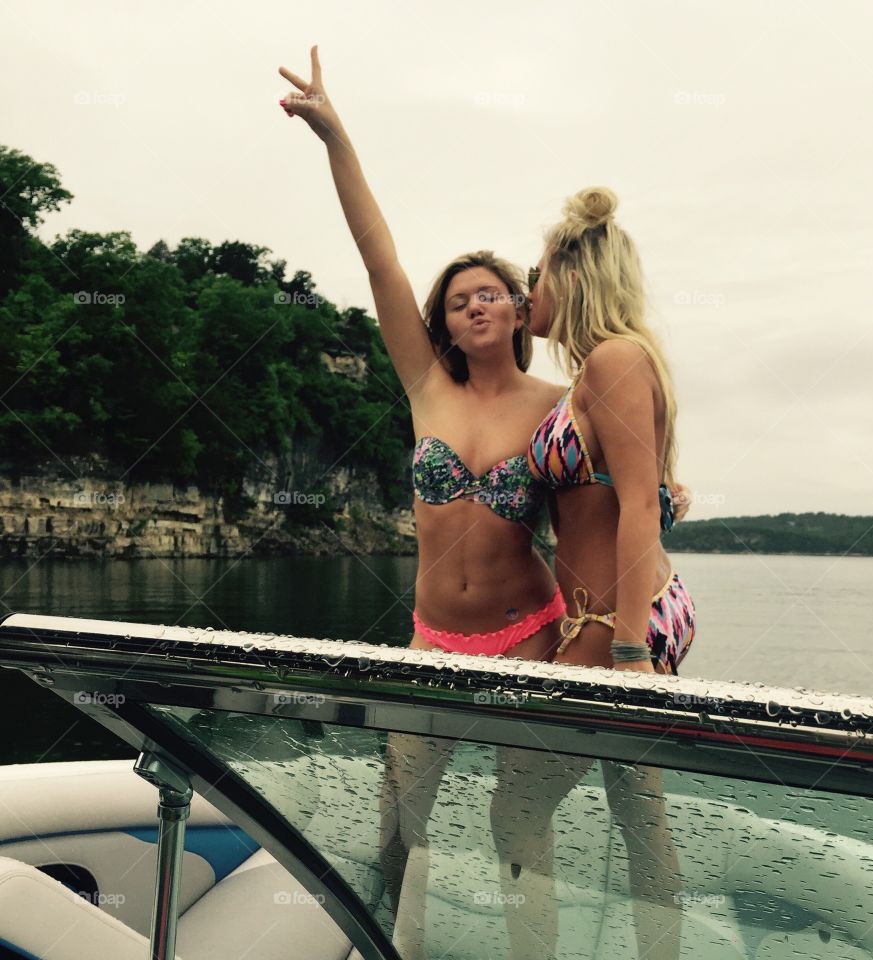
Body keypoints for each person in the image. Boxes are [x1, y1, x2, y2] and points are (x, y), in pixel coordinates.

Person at [278, 46, 569, 960]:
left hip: (533, 636)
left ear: (521, 311)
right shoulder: (425, 392)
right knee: (400, 821)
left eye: (490, 295)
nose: (471, 308)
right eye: (456, 302)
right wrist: (335, 135)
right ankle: (385, 951)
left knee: (518, 833)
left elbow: (627, 479)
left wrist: (670, 485)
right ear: (443, 323)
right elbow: (378, 260)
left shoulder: (562, 406)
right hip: (434, 639)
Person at [490, 187, 695, 960]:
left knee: (515, 809)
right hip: (612, 616)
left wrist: (629, 655)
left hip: (617, 624)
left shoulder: (614, 359)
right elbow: (634, 492)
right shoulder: (603, 368)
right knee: (639, 816)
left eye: (536, 278)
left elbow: (637, 505)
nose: (526, 294)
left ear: (575, 278)